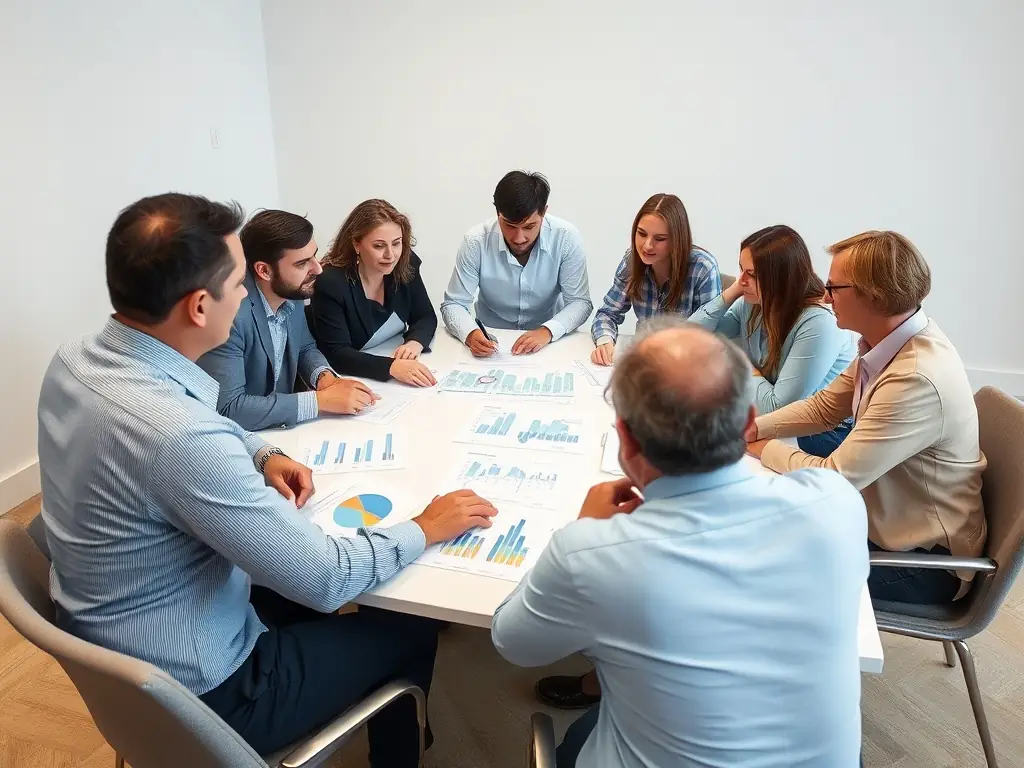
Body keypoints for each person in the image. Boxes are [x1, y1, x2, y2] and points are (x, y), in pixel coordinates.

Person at [36, 193, 498, 766]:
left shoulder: (76, 360)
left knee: (357, 594)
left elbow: (192, 419)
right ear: (201, 307)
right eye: (238, 286)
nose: (248, 300)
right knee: (407, 623)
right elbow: (325, 578)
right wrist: (426, 525)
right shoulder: (182, 441)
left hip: (128, 653)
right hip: (212, 692)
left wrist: (260, 453)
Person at [495, 321, 867, 767]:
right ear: (748, 422)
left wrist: (578, 530)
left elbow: (513, 644)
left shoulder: (589, 555)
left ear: (625, 436)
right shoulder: (836, 503)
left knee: (584, 733)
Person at [746, 230, 987, 604]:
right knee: (762, 528)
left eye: (833, 287)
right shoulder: (890, 341)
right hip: (883, 521)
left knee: (766, 572)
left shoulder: (915, 378)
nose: (825, 297)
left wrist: (762, 448)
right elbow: (824, 408)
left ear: (872, 296)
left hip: (924, 563)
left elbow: (835, 479)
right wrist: (751, 429)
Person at [198, 208, 377, 431]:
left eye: (314, 255)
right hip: (240, 440)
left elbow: (304, 347)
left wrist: (324, 378)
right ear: (264, 270)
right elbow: (229, 409)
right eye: (302, 263)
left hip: (281, 432)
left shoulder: (292, 291)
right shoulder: (230, 315)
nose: (318, 269)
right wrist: (319, 402)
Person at [690, 224, 855, 454]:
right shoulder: (754, 303)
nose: (742, 280)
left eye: (752, 275)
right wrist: (732, 292)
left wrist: (744, 367)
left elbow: (777, 409)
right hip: (771, 422)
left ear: (781, 279)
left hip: (822, 435)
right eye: (741, 270)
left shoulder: (818, 322)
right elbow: (690, 336)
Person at [440, 170, 593, 357]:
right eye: (510, 226)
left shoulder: (566, 238)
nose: (519, 238)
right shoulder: (475, 242)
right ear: (498, 213)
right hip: (491, 340)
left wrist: (547, 332)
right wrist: (471, 334)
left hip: (549, 342)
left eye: (529, 226)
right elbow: (454, 303)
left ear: (544, 212)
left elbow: (580, 302)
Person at [308, 199, 437, 387]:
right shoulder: (330, 281)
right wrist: (391, 367)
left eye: (396, 243)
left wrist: (415, 342)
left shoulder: (405, 263)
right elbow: (336, 353)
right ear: (356, 244)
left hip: (384, 357)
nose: (391, 255)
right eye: (379, 246)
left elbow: (425, 315)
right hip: (345, 377)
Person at [590, 193, 720, 366]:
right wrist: (605, 341)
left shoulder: (702, 268)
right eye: (641, 234)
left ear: (677, 239)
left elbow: (710, 338)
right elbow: (607, 314)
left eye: (660, 239)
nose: (647, 245)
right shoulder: (632, 260)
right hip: (643, 360)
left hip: (685, 367)